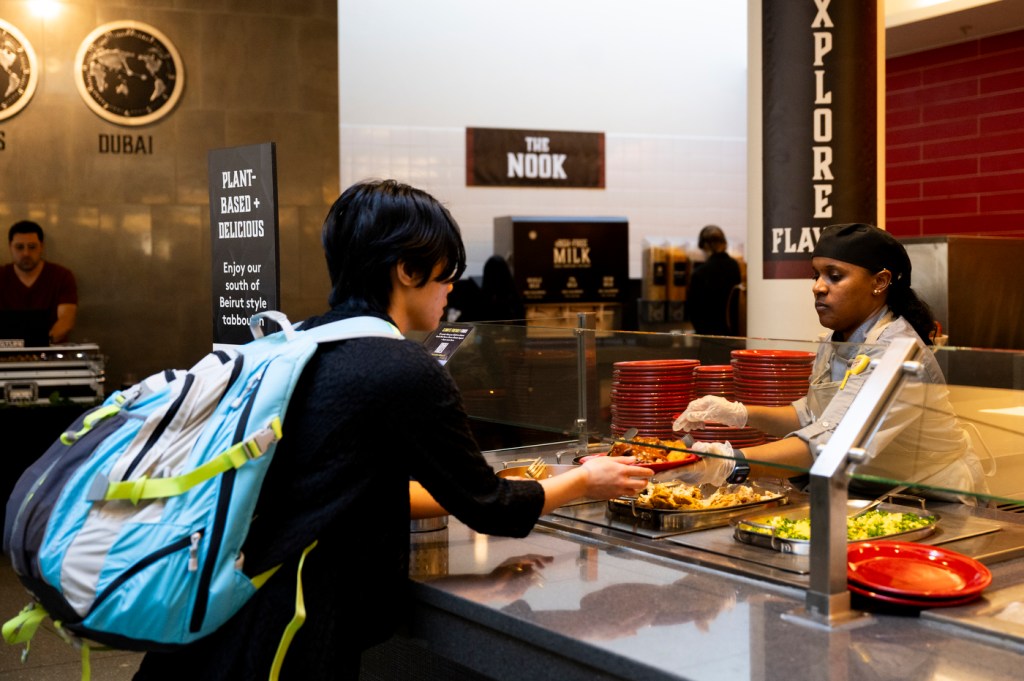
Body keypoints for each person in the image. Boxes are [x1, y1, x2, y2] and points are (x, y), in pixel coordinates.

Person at [132, 179, 652, 680]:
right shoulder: (402, 368)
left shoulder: (301, 342)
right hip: (282, 638)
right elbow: (488, 504)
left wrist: (478, 582)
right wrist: (585, 482)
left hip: (213, 621)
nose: (451, 288)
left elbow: (353, 489)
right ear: (406, 269)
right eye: (446, 273)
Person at [674, 223, 989, 503]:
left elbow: (830, 443)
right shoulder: (837, 339)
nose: (818, 286)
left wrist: (727, 462)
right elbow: (815, 416)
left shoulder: (899, 352)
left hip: (931, 499)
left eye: (834, 276)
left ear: (880, 282)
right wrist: (738, 413)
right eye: (816, 275)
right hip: (868, 492)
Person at [0, 221, 78, 343]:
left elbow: (66, 320)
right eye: (19, 247)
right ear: (10, 247)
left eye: (32, 247)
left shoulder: (62, 276)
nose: (26, 253)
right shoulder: (2, 276)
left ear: (41, 246)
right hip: (5, 357)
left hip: (51, 355)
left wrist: (41, 343)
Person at [687, 225, 741, 335]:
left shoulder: (700, 273)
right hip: (733, 333)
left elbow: (694, 311)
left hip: (708, 336)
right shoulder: (735, 266)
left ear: (706, 246)